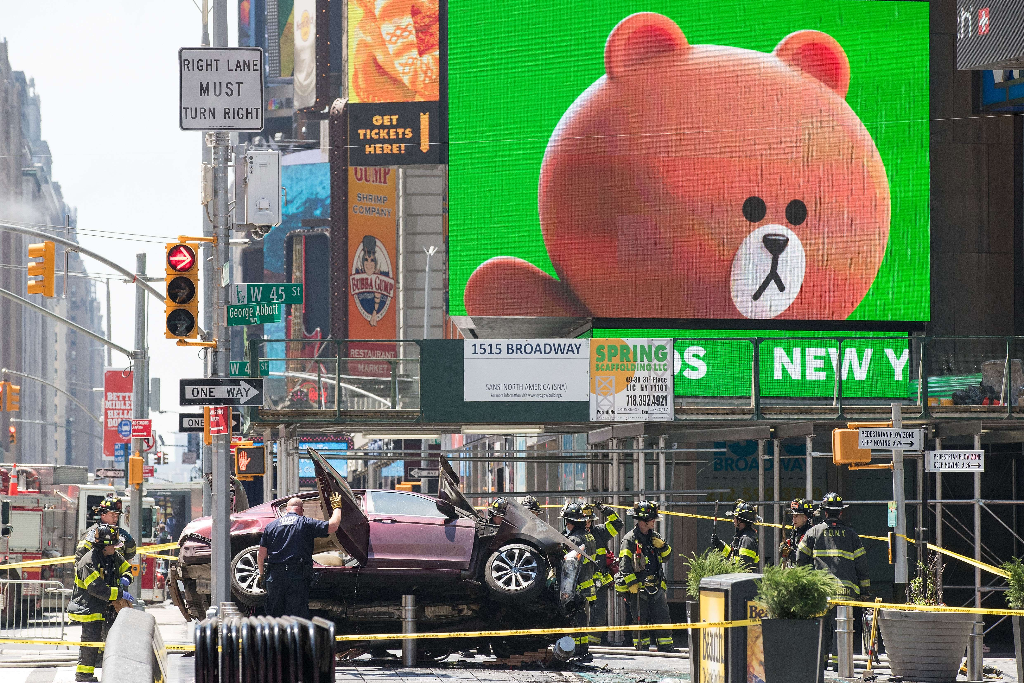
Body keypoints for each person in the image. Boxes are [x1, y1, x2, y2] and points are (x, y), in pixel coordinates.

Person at [797, 492, 869, 681]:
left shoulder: (813, 532)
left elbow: (800, 558)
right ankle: (840, 665)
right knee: (842, 631)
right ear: (841, 513)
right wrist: (865, 591)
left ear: (824, 513)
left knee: (821, 628)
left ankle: (821, 665)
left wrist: (807, 583)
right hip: (846, 594)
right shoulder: (852, 535)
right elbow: (862, 565)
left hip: (821, 592)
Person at [257, 494, 343, 618]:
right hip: (297, 576)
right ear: (301, 510)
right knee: (297, 616)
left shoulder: (271, 526)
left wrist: (261, 575)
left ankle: (277, 637)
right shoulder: (306, 523)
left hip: (275, 577)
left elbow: (261, 555)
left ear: (287, 509)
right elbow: (333, 525)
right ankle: (295, 637)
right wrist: (337, 507)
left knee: (274, 616)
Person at [68, 525, 134, 682]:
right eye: (113, 544)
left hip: (105, 606)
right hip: (90, 607)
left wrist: (126, 578)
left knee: (112, 640)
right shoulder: (88, 562)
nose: (115, 547)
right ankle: (83, 675)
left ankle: (111, 673)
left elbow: (127, 568)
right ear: (104, 546)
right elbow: (96, 588)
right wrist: (119, 593)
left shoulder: (113, 556)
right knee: (91, 643)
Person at [615, 500, 676, 652]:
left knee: (663, 617)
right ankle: (642, 649)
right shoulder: (629, 540)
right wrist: (632, 584)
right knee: (640, 621)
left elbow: (667, 557)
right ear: (644, 521)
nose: (654, 522)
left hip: (656, 587)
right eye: (652, 520)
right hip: (639, 590)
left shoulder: (654, 537)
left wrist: (663, 546)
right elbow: (624, 566)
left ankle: (666, 647)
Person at [581, 501, 624, 646]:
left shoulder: (600, 532)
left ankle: (593, 643)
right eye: (584, 521)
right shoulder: (572, 536)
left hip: (598, 583)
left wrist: (604, 509)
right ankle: (579, 643)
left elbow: (618, 523)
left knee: (599, 612)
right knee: (578, 612)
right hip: (580, 583)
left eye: (589, 520)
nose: (587, 523)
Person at [561, 501, 598, 660]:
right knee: (581, 618)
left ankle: (577, 650)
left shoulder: (575, 539)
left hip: (576, 586)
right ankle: (583, 649)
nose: (566, 525)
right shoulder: (589, 536)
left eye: (567, 522)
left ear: (571, 522)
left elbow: (570, 565)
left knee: (574, 619)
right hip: (587, 585)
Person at [76, 496, 136, 563]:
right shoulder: (91, 533)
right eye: (113, 515)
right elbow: (80, 560)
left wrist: (130, 541)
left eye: (117, 515)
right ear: (103, 514)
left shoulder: (121, 534)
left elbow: (130, 554)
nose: (116, 519)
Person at [712, 500, 760, 571]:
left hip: (744, 581)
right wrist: (720, 545)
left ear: (740, 520)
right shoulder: (742, 536)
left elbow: (744, 566)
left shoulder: (747, 540)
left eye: (735, 517)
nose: (733, 520)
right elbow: (733, 556)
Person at [778, 499, 815, 568]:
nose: (793, 519)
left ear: (805, 517)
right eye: (793, 516)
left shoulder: (810, 533)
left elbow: (802, 559)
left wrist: (789, 553)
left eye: (796, 516)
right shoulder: (796, 531)